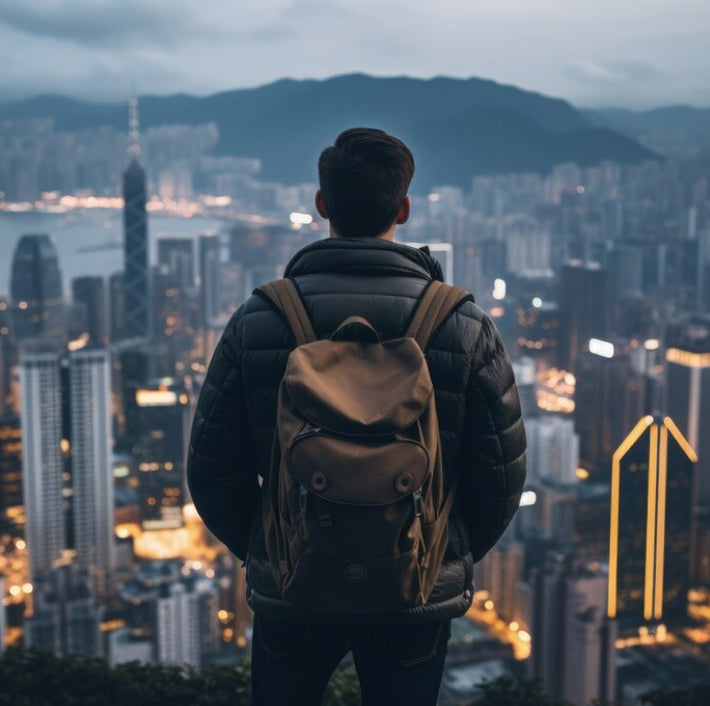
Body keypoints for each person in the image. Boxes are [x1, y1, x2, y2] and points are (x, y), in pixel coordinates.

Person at [187, 127, 526, 705]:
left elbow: (213, 471)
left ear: (321, 205)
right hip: (413, 594)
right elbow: (500, 476)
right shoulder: (464, 326)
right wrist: (437, 548)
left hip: (294, 592)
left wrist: (279, 546)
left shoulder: (261, 319)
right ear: (404, 208)